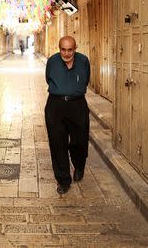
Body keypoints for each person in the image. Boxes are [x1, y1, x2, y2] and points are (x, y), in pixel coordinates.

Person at [45, 35, 90, 194]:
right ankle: (63, 180)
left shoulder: (83, 61)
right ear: (59, 49)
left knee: (80, 141)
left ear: (75, 49)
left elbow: (86, 80)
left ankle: (79, 165)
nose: (66, 53)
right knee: (57, 143)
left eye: (70, 50)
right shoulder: (52, 61)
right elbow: (48, 78)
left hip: (77, 105)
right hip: (55, 105)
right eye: (63, 50)